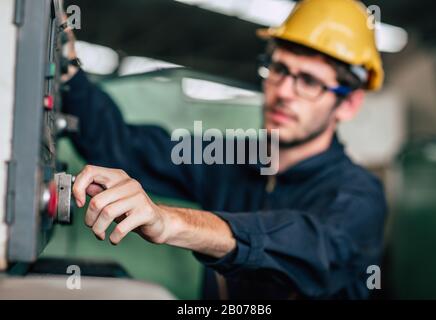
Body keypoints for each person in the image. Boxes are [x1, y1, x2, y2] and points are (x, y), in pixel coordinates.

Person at [62, 0, 387, 299]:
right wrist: (70, 70)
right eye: (279, 69)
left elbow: (312, 249)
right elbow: (123, 147)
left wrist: (171, 222)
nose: (284, 91)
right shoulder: (234, 159)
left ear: (348, 104)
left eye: (310, 81)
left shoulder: (360, 198)